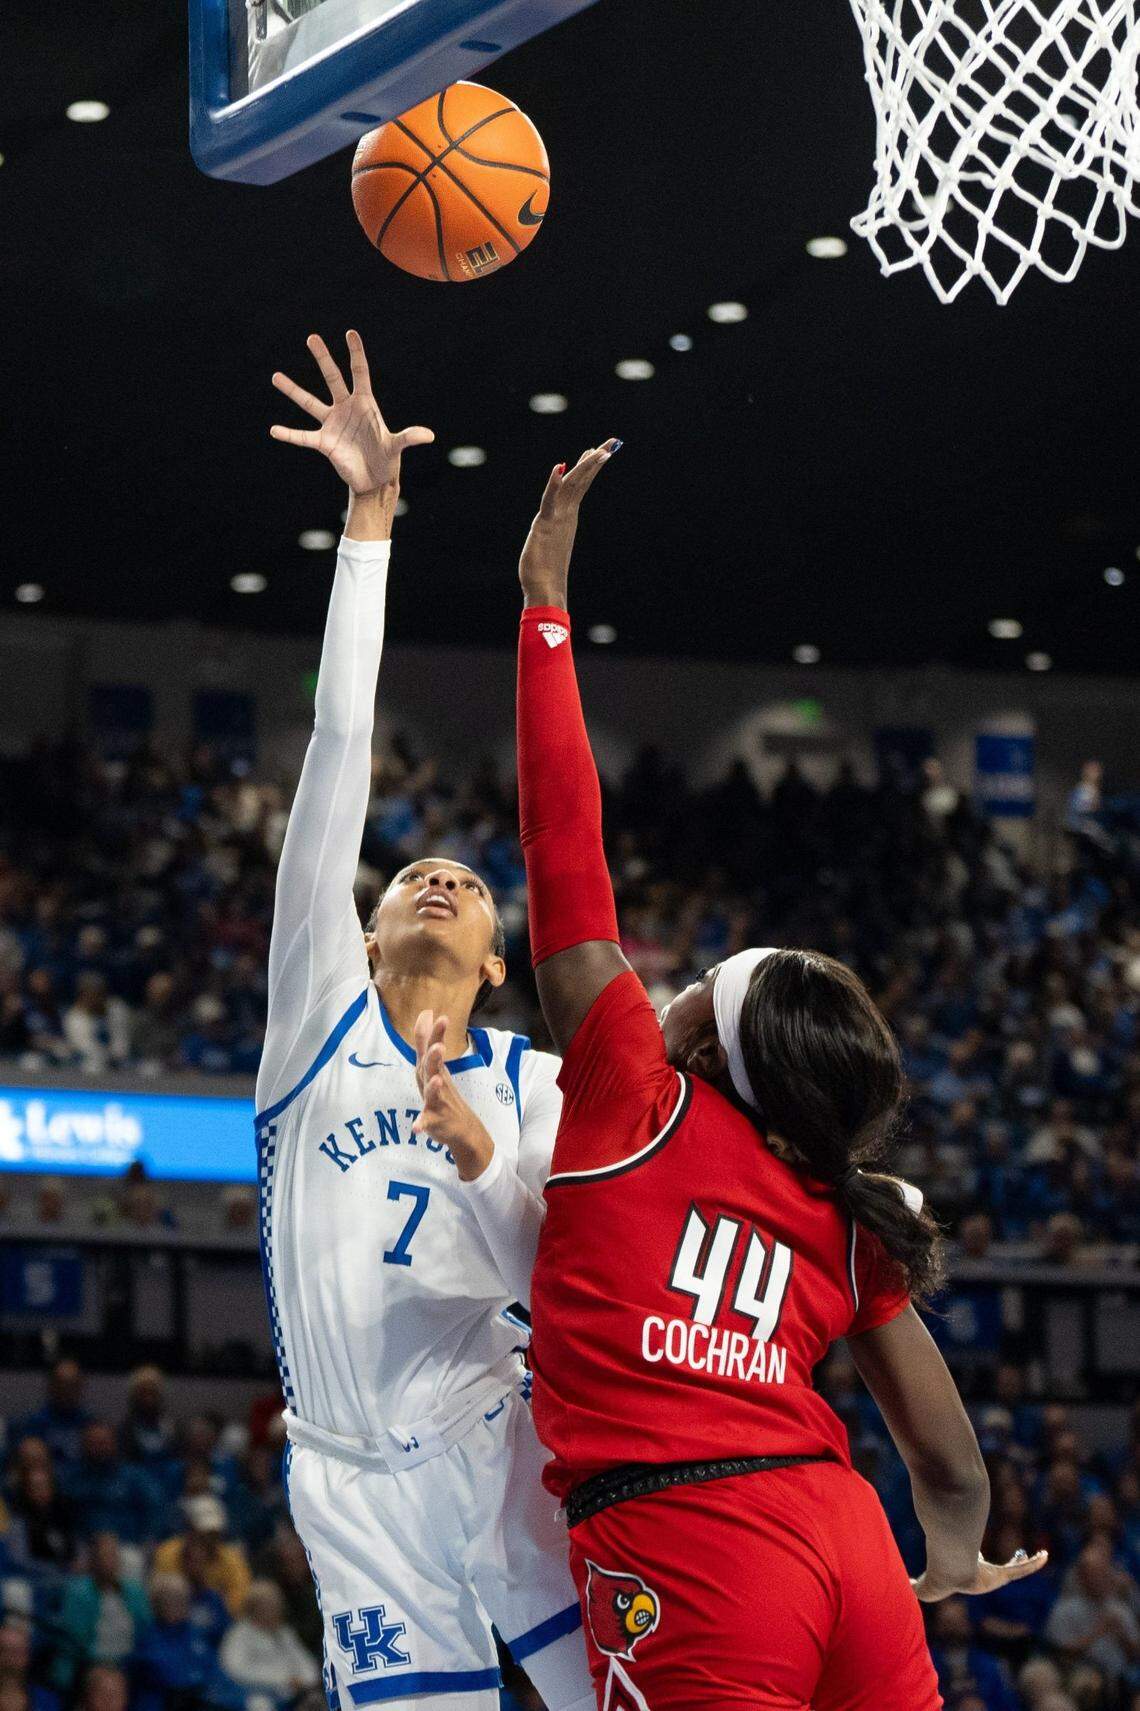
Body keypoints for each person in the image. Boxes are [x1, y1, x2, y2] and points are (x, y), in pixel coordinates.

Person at [479, 445, 1048, 1711]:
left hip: (693, 1549)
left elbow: (562, 836)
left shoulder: (634, 1091)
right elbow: (948, 1463)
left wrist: (545, 609)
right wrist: (948, 1558)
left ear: (699, 1041)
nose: (666, 982)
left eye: (696, 982)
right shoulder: (850, 1214)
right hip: (845, 1537)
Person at [256, 331, 590, 1711]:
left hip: (503, 1441)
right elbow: (339, 746)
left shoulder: (544, 1081)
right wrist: (369, 519)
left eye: (465, 879)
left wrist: (477, 1153)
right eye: (411, 876)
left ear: (499, 958)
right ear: (369, 928)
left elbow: (562, 1272)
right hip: (348, 1475)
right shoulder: (314, 1017)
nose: (440, 875)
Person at [219, 1579, 321, 1704]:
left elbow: (307, 1664)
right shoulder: (239, 1634)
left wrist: (304, 1680)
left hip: (292, 1694)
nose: (275, 1612)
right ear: (254, 1608)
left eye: (276, 1606)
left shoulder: (285, 1632)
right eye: (268, 1607)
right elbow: (235, 1669)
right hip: (253, 1693)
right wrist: (283, 1680)